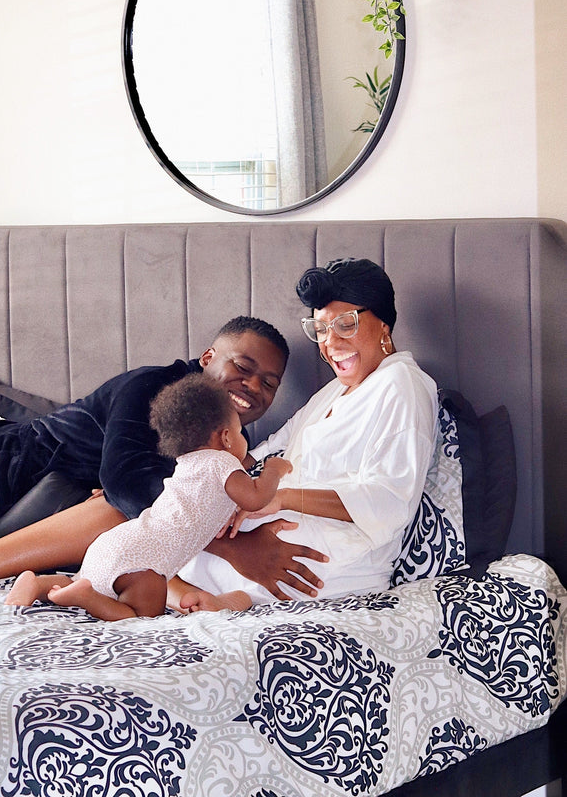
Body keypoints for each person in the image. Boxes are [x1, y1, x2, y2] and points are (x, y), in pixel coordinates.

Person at [0, 317, 328, 599]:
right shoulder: (156, 387)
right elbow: (127, 485)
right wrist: (236, 547)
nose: (253, 386)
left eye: (269, 383)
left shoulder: (230, 443)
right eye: (243, 367)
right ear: (207, 358)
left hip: (16, 532)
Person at [171, 257, 438, 611]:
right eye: (322, 329)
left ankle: (211, 597)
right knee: (169, 520)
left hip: (338, 552)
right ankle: (217, 598)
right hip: (283, 523)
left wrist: (281, 499)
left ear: (384, 326)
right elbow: (266, 453)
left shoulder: (402, 384)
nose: (331, 343)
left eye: (346, 324)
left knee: (169, 552)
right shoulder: (333, 392)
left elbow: (390, 499)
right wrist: (201, 482)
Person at [4, 376, 291, 619]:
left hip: (116, 544)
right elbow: (255, 498)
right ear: (227, 437)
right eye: (241, 433)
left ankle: (39, 584)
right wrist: (273, 471)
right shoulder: (221, 462)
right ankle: (86, 598)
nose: (244, 441)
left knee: (81, 578)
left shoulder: (187, 464)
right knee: (140, 616)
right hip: (144, 561)